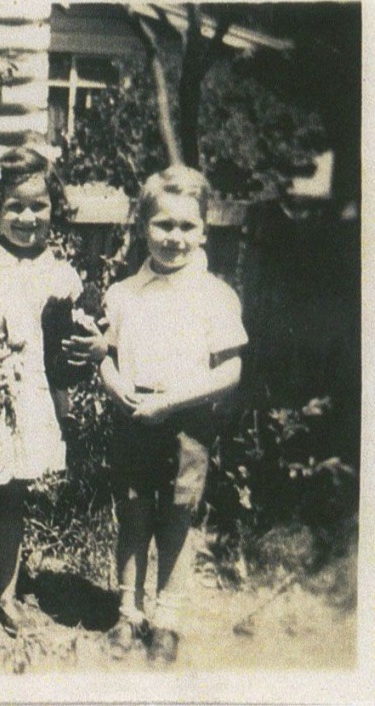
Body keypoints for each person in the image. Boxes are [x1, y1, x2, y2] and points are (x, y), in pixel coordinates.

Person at [99, 165, 247, 663]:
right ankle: (128, 612)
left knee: (177, 519)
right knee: (134, 513)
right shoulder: (122, 294)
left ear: (204, 230)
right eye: (164, 224)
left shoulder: (215, 295)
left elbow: (229, 371)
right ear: (143, 227)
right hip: (135, 414)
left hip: (187, 420)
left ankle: (167, 617)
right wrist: (117, 387)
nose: (175, 237)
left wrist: (173, 401)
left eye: (187, 226)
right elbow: (105, 352)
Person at [0, 146, 95, 636]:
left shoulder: (60, 274)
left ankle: (6, 593)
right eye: (15, 207)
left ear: (54, 205)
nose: (28, 218)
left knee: (12, 500)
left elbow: (66, 356)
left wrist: (81, 357)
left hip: (27, 405)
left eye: (39, 206)